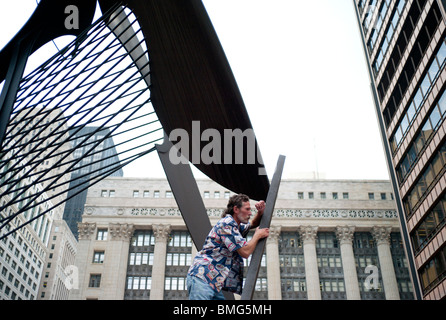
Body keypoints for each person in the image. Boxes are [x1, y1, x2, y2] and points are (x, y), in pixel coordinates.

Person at [186, 193, 269, 300]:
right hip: (202, 278)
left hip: (214, 283)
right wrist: (257, 235)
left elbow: (253, 223)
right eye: (247, 209)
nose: (250, 213)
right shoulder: (227, 224)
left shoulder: (236, 227)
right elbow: (245, 252)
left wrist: (260, 212)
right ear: (236, 209)